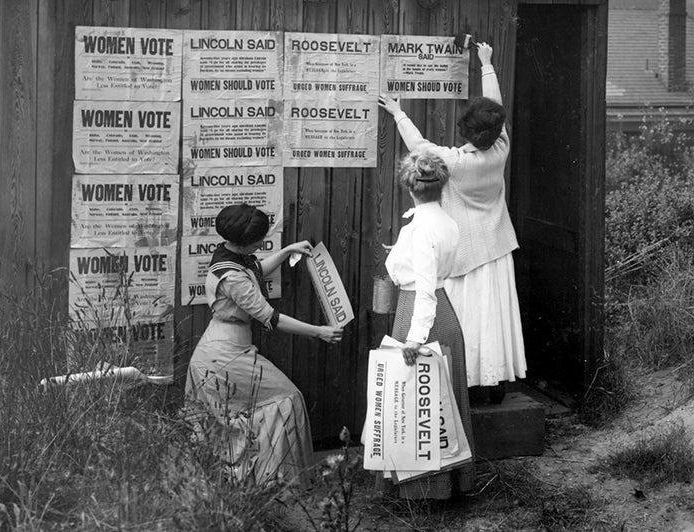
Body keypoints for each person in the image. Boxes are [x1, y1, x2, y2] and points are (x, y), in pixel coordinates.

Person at [378, 41, 526, 402]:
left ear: (466, 133)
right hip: (496, 247)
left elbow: (419, 146)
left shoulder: (457, 162)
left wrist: (398, 112)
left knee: (468, 321)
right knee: (495, 321)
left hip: (464, 256)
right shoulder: (501, 145)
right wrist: (486, 63)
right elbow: (497, 108)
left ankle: (468, 386)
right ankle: (496, 385)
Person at [186, 203, 344, 482]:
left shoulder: (229, 255)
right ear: (246, 244)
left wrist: (286, 251)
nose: (262, 242)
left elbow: (256, 270)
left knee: (264, 405)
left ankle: (263, 478)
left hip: (226, 349)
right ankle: (275, 478)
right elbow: (271, 318)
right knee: (287, 398)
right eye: (259, 240)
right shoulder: (233, 278)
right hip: (225, 357)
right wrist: (319, 331)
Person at [382, 150, 475, 499]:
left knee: (419, 401)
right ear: (441, 187)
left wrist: (414, 339)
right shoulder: (447, 223)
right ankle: (451, 483)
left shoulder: (419, 229)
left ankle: (425, 493)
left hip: (420, 314)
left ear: (410, 188)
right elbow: (437, 269)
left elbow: (423, 289)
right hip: (445, 313)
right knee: (440, 400)